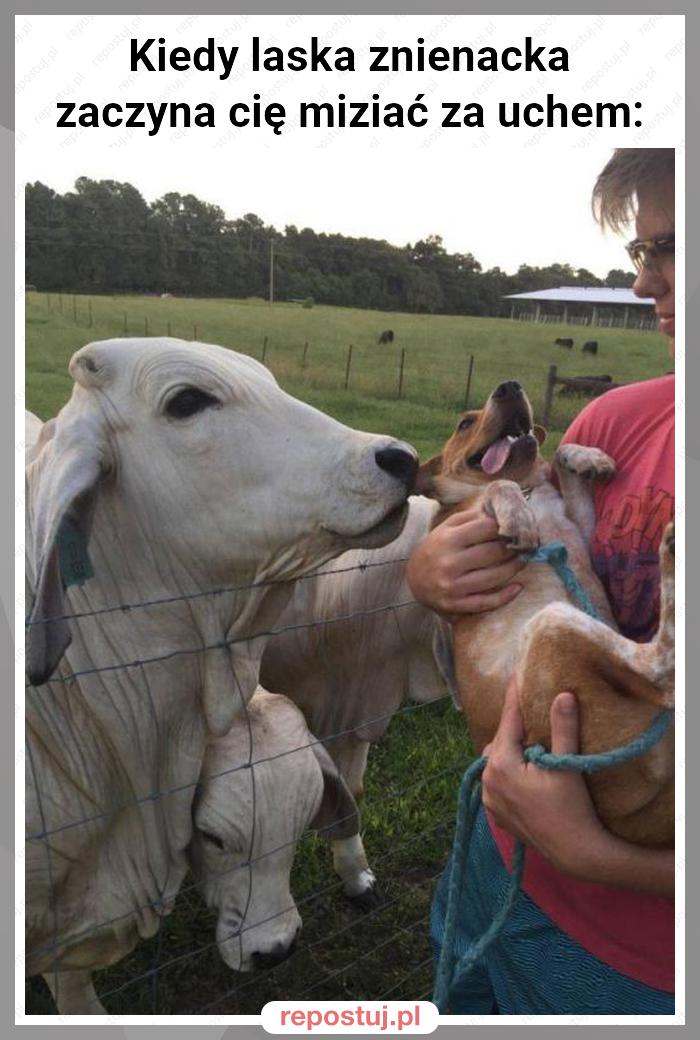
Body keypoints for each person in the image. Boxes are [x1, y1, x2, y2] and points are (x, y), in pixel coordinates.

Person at [408, 148, 676, 1014]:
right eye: (640, 254)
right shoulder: (612, 425)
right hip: (496, 854)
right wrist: (432, 567)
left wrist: (597, 858)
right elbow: (532, 556)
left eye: (670, 250)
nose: (643, 285)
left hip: (641, 966)